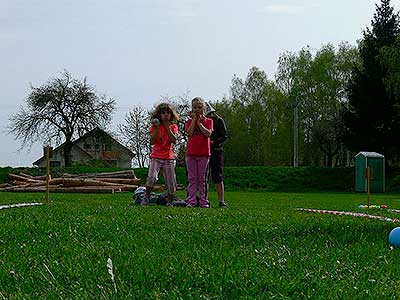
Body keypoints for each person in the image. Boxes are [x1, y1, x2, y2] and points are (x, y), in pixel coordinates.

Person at [141, 103, 179, 206]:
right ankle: (146, 197)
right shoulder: (155, 126)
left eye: (168, 113)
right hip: (156, 156)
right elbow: (152, 141)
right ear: (159, 114)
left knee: (171, 182)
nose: (166, 115)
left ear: (171, 115)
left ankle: (170, 201)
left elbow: (174, 140)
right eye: (163, 113)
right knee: (152, 178)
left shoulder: (173, 126)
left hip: (168, 157)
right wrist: (157, 129)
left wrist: (167, 127)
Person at [185, 97, 213, 208]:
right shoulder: (188, 122)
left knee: (202, 179)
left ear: (204, 109)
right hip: (191, 154)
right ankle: (191, 201)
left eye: (199, 107)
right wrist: (193, 121)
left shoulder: (209, 121)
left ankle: (203, 201)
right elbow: (189, 133)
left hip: (204, 154)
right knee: (192, 179)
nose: (197, 110)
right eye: (195, 107)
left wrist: (200, 124)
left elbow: (208, 134)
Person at [205, 102, 228, 208]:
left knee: (217, 176)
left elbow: (224, 136)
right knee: (203, 177)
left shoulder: (219, 121)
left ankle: (221, 200)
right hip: (203, 152)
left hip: (216, 151)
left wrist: (215, 142)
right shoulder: (201, 121)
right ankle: (203, 199)